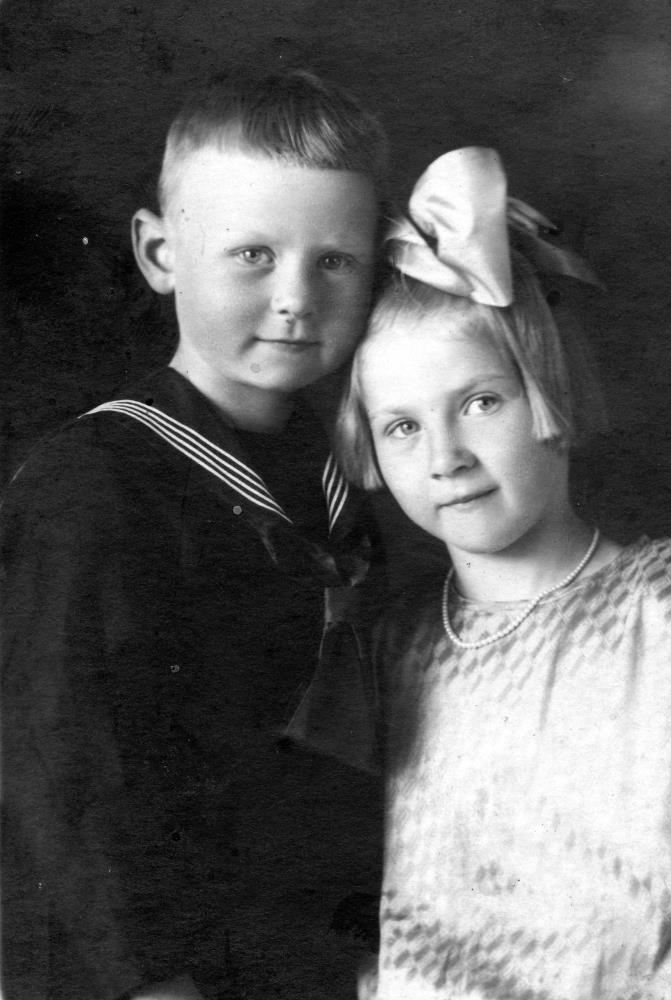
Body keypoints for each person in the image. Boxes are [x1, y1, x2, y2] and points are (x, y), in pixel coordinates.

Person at [1, 70, 388, 1000]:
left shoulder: (348, 468)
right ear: (158, 252)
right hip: (151, 971)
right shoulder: (94, 488)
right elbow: (65, 773)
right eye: (252, 254)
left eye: (335, 260)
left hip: (317, 949)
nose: (296, 297)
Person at [335, 147, 671, 1000]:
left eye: (479, 403)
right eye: (401, 427)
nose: (446, 458)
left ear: (547, 389)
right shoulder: (391, 645)